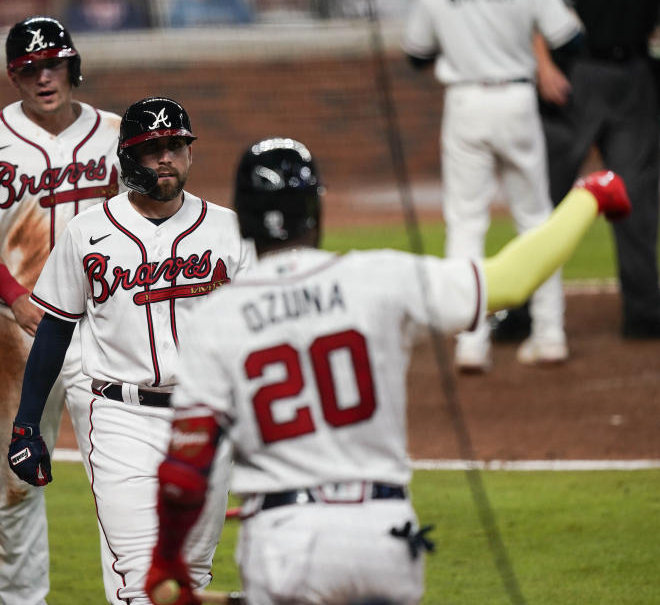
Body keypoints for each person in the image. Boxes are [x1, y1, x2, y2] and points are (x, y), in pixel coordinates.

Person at [144, 138, 631, 605]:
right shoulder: (378, 277)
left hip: (284, 541)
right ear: (316, 210)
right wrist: (590, 196)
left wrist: (167, 562)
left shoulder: (216, 318)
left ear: (244, 218)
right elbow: (510, 279)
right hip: (383, 533)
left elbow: (184, 473)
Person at [6, 96, 255, 604]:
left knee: (190, 577)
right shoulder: (87, 232)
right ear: (127, 158)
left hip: (206, 419)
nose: (166, 157)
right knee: (143, 584)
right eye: (152, 149)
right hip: (122, 418)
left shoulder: (229, 229)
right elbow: (54, 329)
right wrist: (26, 423)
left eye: (175, 146)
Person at [0, 15, 122, 605]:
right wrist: (21, 302)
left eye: (52, 64)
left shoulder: (116, 134)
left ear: (73, 65)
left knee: (125, 475)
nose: (43, 77)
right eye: (29, 69)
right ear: (13, 75)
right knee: (18, 479)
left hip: (108, 332)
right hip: (17, 334)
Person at [403, 0, 583, 372]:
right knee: (536, 220)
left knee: (466, 224)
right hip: (518, 98)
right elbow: (570, 40)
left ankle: (471, 344)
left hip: (466, 101)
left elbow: (416, 54)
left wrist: (463, 39)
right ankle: (550, 334)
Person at [492, 0, 660, 341]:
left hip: (635, 72)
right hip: (572, 73)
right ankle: (523, 308)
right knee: (545, 196)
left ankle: (645, 309)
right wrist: (542, 65)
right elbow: (534, 7)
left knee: (637, 197)